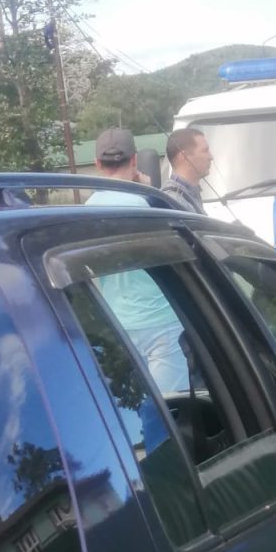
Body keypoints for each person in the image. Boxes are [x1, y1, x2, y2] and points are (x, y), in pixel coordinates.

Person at [86, 128, 189, 395]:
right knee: (171, 404)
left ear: (97, 163)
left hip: (117, 323)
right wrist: (148, 190)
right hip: (161, 322)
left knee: (136, 403)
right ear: (134, 160)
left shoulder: (85, 210)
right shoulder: (146, 204)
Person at [162, 128, 213, 214]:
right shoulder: (174, 201)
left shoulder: (188, 194)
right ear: (184, 156)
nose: (211, 157)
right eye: (205, 150)